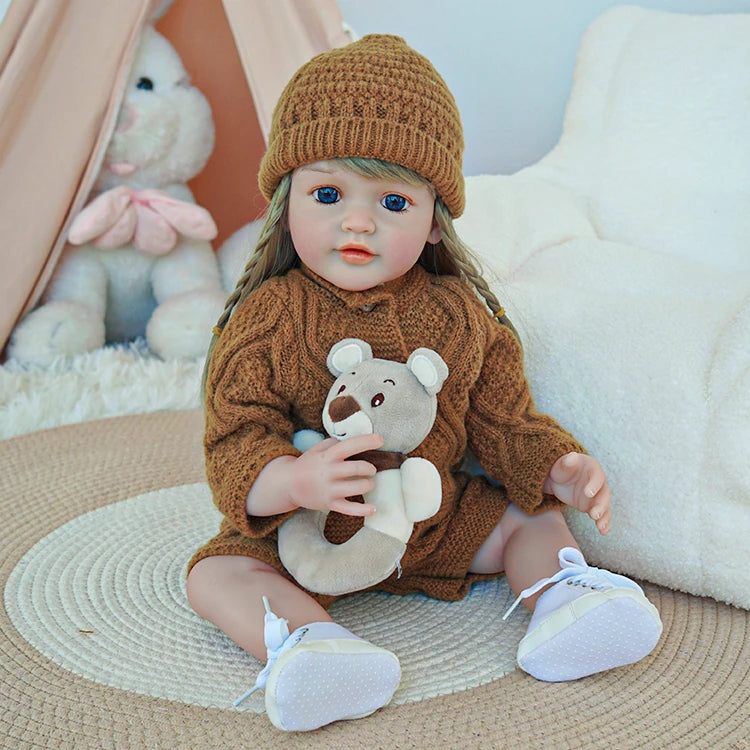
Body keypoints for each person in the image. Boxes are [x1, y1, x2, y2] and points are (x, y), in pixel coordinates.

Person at [186, 34, 662, 732]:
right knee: (213, 575)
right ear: (287, 200)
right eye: (328, 193)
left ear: (435, 221)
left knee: (529, 515)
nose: (357, 221)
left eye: (394, 204)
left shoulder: (459, 316)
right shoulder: (270, 315)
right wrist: (290, 482)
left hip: (430, 521)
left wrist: (556, 465)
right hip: (303, 532)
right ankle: (311, 649)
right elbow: (235, 434)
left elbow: (503, 418)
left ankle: (566, 600)